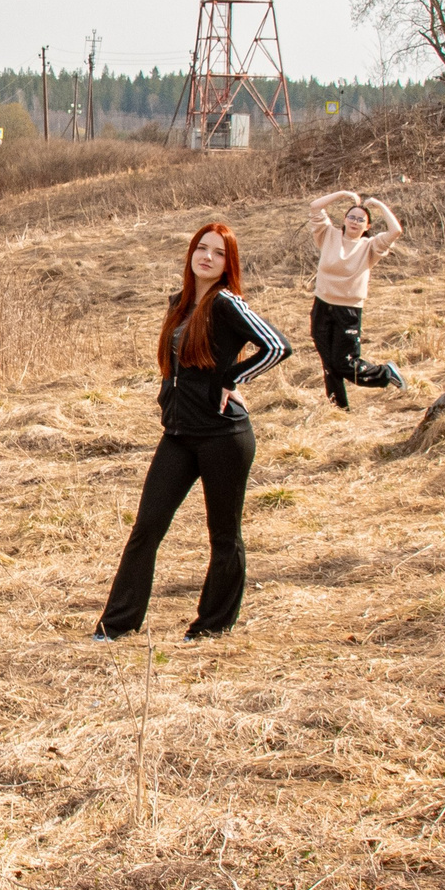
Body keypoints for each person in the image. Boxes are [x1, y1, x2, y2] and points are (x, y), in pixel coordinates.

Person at [96, 222, 290, 643]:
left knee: (223, 534)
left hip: (224, 436)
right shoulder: (180, 304)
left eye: (219, 253)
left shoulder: (227, 303)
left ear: (228, 263)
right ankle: (116, 626)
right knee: (147, 527)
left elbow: (277, 346)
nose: (207, 257)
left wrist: (233, 379)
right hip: (179, 435)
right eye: (202, 248)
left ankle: (211, 627)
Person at [305, 190, 407, 408]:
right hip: (322, 306)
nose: (355, 221)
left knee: (345, 364)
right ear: (344, 219)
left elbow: (396, 230)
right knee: (329, 365)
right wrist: (342, 194)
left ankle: (385, 373)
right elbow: (315, 206)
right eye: (351, 216)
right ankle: (339, 409)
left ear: (367, 226)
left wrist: (378, 205)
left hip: (348, 311)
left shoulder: (370, 247)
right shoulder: (328, 235)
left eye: (361, 219)